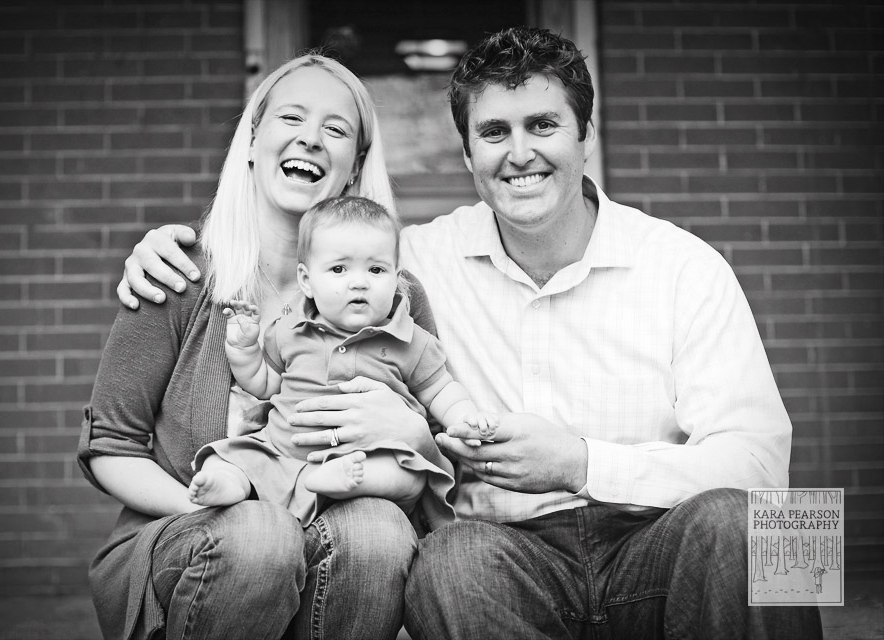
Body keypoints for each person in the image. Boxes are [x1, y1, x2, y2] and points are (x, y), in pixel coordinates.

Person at [116, 27, 822, 639]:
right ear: (467, 155)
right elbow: (317, 262)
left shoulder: (686, 266)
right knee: (446, 560)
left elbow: (767, 469)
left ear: (586, 134)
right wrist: (173, 249)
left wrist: (581, 464)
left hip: (667, 542)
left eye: (543, 125)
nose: (519, 153)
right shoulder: (415, 264)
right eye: (494, 132)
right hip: (508, 561)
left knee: (780, 531)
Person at [79, 53, 450, 640]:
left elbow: (427, 454)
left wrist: (414, 433)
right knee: (260, 536)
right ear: (252, 142)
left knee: (379, 529)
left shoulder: (392, 296)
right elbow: (110, 447)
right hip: (191, 530)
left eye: (335, 129)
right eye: (291, 118)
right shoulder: (178, 278)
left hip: (341, 528)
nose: (310, 138)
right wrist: (219, 507)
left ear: (354, 168)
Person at [190, 195, 494, 531]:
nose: (359, 281)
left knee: (408, 477)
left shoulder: (410, 340)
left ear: (396, 277)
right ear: (306, 280)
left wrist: (467, 418)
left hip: (368, 458)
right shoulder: (290, 330)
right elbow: (264, 385)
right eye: (339, 269)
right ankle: (226, 483)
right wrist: (245, 349)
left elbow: (442, 391)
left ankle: (342, 479)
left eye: (376, 269)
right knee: (237, 455)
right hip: (285, 453)